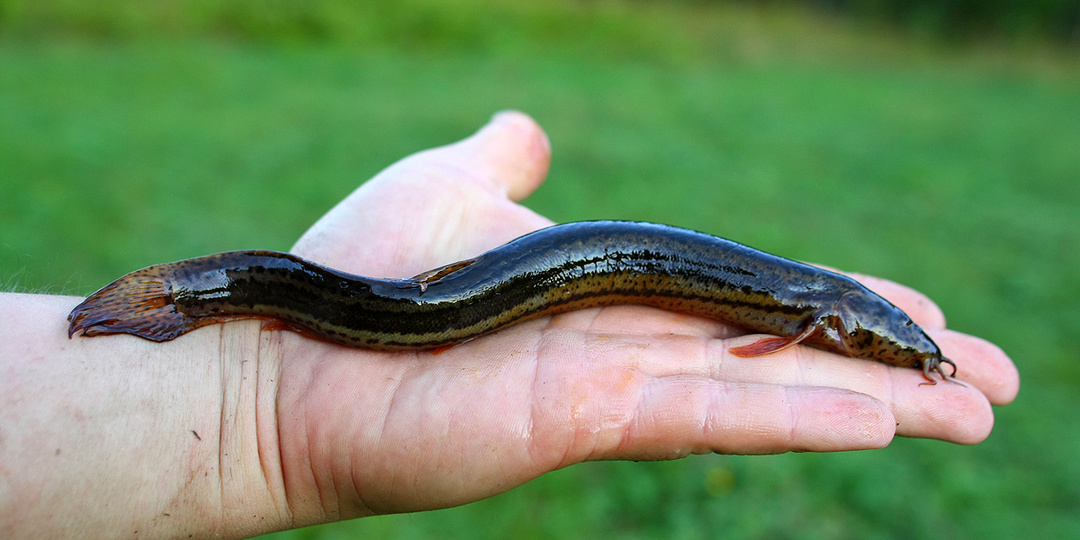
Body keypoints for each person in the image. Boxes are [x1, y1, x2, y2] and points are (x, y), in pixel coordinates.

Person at [0, 111, 1019, 538]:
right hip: (463, 294)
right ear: (839, 328)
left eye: (889, 344)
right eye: (886, 342)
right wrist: (252, 409)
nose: (888, 345)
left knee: (403, 305)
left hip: (535, 278)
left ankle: (210, 293)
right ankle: (202, 292)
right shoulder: (810, 306)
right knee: (407, 307)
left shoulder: (812, 304)